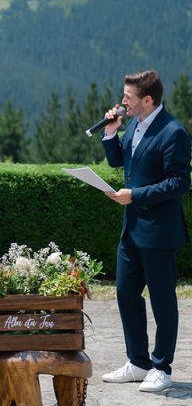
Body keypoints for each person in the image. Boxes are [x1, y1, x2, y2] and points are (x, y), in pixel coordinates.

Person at [100, 70, 190, 393]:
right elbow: (121, 163)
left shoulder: (173, 132)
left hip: (160, 233)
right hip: (132, 231)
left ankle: (161, 367)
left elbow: (180, 182)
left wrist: (135, 195)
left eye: (128, 98)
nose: (122, 102)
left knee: (163, 301)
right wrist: (111, 134)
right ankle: (138, 363)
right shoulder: (135, 126)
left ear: (147, 100)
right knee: (125, 293)